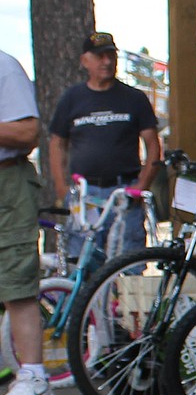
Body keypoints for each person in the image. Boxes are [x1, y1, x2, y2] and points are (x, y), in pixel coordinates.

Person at [48, 31, 161, 254]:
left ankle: (127, 288)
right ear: (85, 61)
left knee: (129, 259)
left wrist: (143, 184)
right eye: (100, 56)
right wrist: (62, 188)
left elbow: (153, 144)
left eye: (111, 56)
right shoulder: (72, 98)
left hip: (124, 191)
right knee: (83, 260)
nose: (107, 62)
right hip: (85, 193)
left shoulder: (134, 98)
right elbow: (56, 144)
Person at [0, 48, 52, 395]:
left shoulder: (3, 67)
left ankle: (34, 378)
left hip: (7, 183)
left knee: (16, 280)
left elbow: (29, 131)